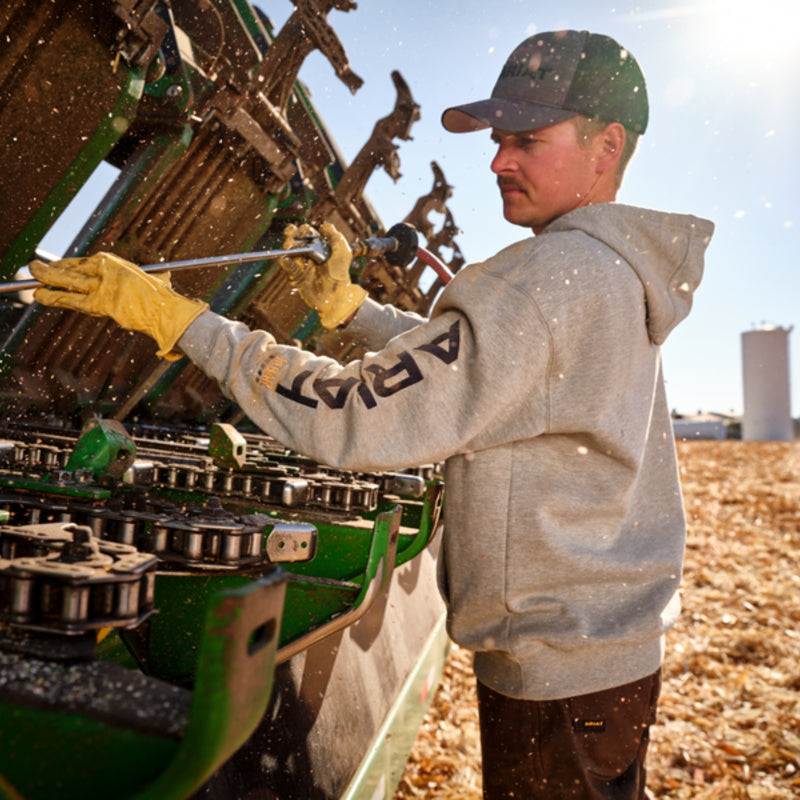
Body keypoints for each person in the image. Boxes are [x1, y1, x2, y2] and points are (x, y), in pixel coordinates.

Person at [31, 29, 714, 799]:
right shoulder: (607, 272)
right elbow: (488, 371)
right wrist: (354, 311)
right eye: (498, 139)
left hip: (560, 669)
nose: (498, 161)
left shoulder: (551, 280)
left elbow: (353, 415)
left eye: (527, 139)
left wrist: (183, 323)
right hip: (603, 653)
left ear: (607, 144)